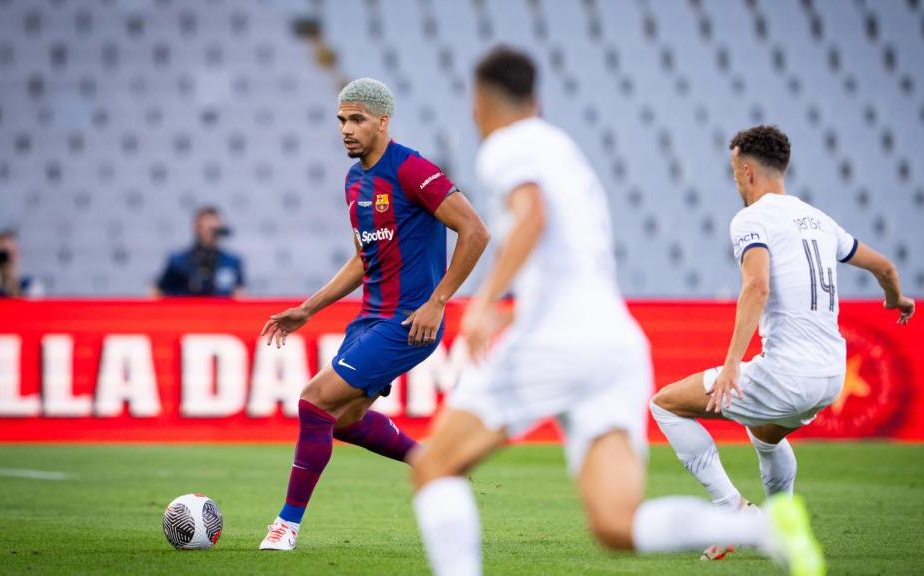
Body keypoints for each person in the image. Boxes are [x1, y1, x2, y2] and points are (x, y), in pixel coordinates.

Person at [409, 48, 825, 576]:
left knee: (433, 467)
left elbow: (532, 216)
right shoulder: (565, 153)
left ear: (480, 103)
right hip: (614, 345)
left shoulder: (505, 146)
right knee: (615, 524)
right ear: (536, 99)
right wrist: (517, 313)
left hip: (558, 342)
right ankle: (761, 528)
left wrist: (484, 303)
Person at [650, 125, 915, 561]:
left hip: (788, 375)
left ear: (748, 171)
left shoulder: (751, 219)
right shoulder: (820, 220)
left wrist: (732, 363)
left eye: (734, 172)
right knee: (766, 435)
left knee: (665, 405)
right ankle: (784, 526)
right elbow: (884, 266)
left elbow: (757, 287)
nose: (736, 181)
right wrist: (895, 299)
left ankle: (733, 513)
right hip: (830, 376)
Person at [257, 77, 490, 551]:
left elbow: (475, 231)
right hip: (369, 319)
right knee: (342, 420)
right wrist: (308, 308)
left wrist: (437, 301)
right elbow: (365, 259)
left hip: (409, 321)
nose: (346, 129)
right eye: (342, 119)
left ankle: (285, 525)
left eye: (357, 119)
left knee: (313, 401)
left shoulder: (412, 169)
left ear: (383, 122)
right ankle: (435, 463)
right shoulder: (355, 181)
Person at [153, 206, 245, 297]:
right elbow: (157, 292)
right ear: (197, 228)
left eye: (216, 229)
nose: (213, 234)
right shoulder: (178, 261)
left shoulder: (231, 262)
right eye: (209, 229)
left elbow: (238, 295)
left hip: (219, 306)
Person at [0, 229, 45, 298]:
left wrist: (12, 283)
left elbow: (30, 303)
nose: (4, 258)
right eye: (1, 253)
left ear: (17, 252)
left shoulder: (31, 285)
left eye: (10, 253)